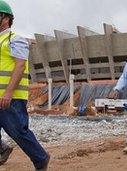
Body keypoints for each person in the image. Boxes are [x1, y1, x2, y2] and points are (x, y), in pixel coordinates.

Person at [0, 1, 49, 170]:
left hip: (10, 97)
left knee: (17, 131)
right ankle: (2, 149)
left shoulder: (15, 39)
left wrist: (8, 92)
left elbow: (20, 66)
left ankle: (41, 158)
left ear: (5, 18)